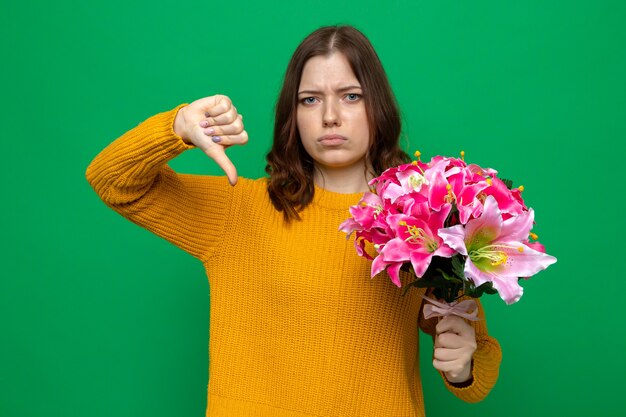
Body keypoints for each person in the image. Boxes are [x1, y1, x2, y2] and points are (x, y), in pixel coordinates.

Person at [86, 25, 501, 417]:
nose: (331, 116)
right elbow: (113, 181)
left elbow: (476, 368)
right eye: (310, 99)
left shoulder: (422, 226)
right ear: (293, 115)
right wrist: (176, 127)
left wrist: (461, 366)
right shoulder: (240, 211)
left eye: (351, 96)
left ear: (379, 107)